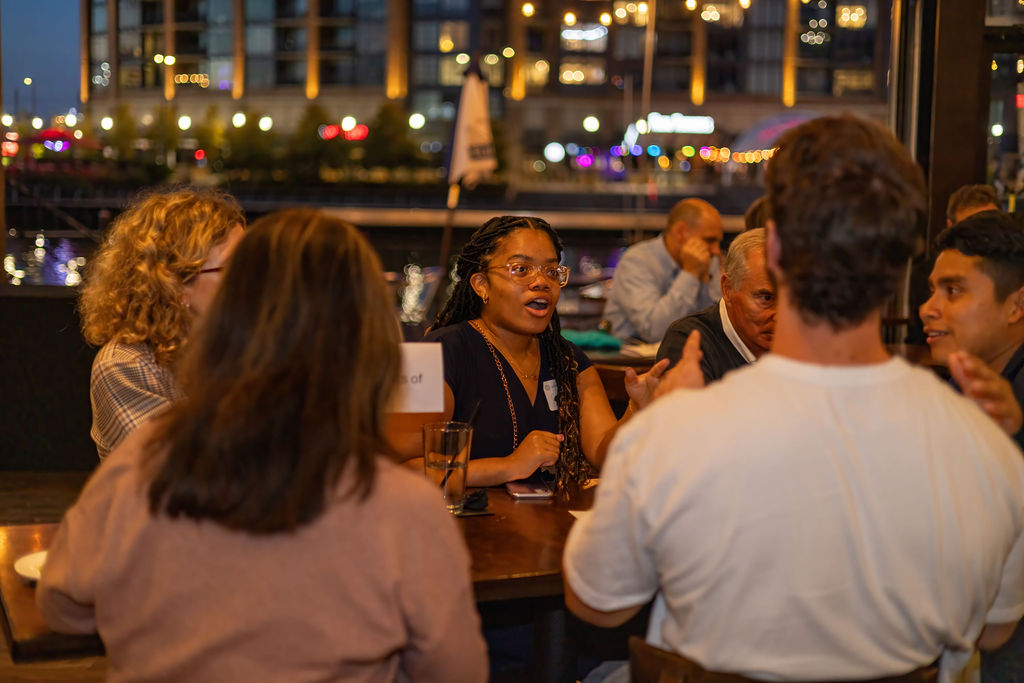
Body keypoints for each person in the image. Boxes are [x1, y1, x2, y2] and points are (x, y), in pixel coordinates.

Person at [563, 115, 1024, 681]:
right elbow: (995, 630)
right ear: (902, 262)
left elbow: (596, 603)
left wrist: (655, 428)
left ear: (775, 249)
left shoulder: (676, 432)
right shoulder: (987, 447)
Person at [38, 209, 488, 682]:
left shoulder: (144, 461)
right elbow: (456, 672)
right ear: (373, 346)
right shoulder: (405, 508)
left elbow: (61, 604)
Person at [408, 215, 667, 492]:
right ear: (482, 284)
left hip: (549, 518)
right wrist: (508, 466)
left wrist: (636, 409)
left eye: (552, 271)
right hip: (464, 518)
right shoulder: (435, 355)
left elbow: (606, 457)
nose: (542, 282)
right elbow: (402, 467)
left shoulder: (569, 361)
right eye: (522, 269)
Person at [920, 211, 1024, 679]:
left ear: (1016, 305)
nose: (928, 308)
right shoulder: (966, 384)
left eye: (953, 291)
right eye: (932, 290)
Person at [78, 187, 245, 458]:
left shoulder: (239, 343)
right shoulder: (124, 366)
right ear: (176, 285)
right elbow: (184, 469)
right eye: (235, 267)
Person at [655, 228, 775, 382]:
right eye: (766, 298)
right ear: (728, 289)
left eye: (790, 301)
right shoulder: (688, 342)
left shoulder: (797, 338)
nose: (780, 317)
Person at [603, 198, 723, 342]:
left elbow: (717, 325)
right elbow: (655, 331)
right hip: (630, 353)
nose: (716, 250)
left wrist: (704, 281)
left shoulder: (708, 259)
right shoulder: (637, 260)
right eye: (709, 240)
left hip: (688, 350)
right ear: (680, 232)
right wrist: (690, 274)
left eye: (719, 242)